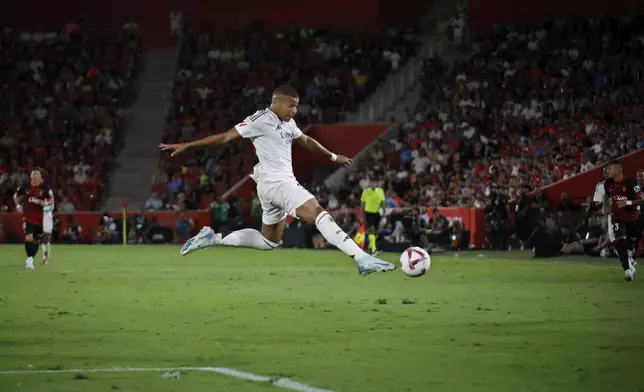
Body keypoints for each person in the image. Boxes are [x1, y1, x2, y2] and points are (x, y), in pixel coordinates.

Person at [159, 84, 395, 275]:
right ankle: (361, 257)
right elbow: (225, 138)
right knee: (319, 213)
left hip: (271, 187)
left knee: (269, 241)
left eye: (296, 107)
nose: (294, 111)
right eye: (291, 105)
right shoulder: (260, 119)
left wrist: (333, 156)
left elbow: (305, 141)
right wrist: (186, 145)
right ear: (276, 101)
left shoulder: (288, 123)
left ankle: (214, 238)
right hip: (277, 183)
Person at [604, 161, 644, 281]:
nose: (608, 171)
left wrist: (628, 202)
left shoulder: (631, 183)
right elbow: (608, 196)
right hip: (617, 217)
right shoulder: (608, 183)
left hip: (632, 217)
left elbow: (642, 199)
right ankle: (627, 270)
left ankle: (631, 259)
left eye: (610, 169)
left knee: (631, 243)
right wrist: (606, 206)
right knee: (619, 241)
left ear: (618, 170)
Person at [13, 169, 54, 270]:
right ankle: (30, 260)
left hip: (40, 218)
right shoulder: (25, 186)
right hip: (28, 216)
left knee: (36, 240)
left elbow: (51, 200)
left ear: (40, 177)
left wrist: (45, 203)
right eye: (34, 175)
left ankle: (30, 258)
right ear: (31, 177)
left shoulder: (44, 187)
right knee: (29, 238)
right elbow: (16, 195)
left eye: (37, 175)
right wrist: (18, 205)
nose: (36, 177)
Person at [360, 180, 385, 254]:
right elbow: (362, 204)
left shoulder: (380, 191)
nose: (373, 184)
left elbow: (383, 201)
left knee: (376, 231)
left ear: (376, 183)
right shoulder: (366, 191)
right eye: (372, 183)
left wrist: (384, 210)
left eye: (374, 182)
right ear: (370, 184)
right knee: (371, 229)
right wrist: (362, 215)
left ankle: (371, 246)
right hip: (368, 213)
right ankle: (373, 249)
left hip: (377, 213)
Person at [41, 181, 55, 265]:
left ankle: (45, 257)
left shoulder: (49, 191)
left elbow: (52, 206)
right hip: (36, 216)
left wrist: (42, 208)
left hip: (46, 216)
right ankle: (30, 257)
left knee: (46, 237)